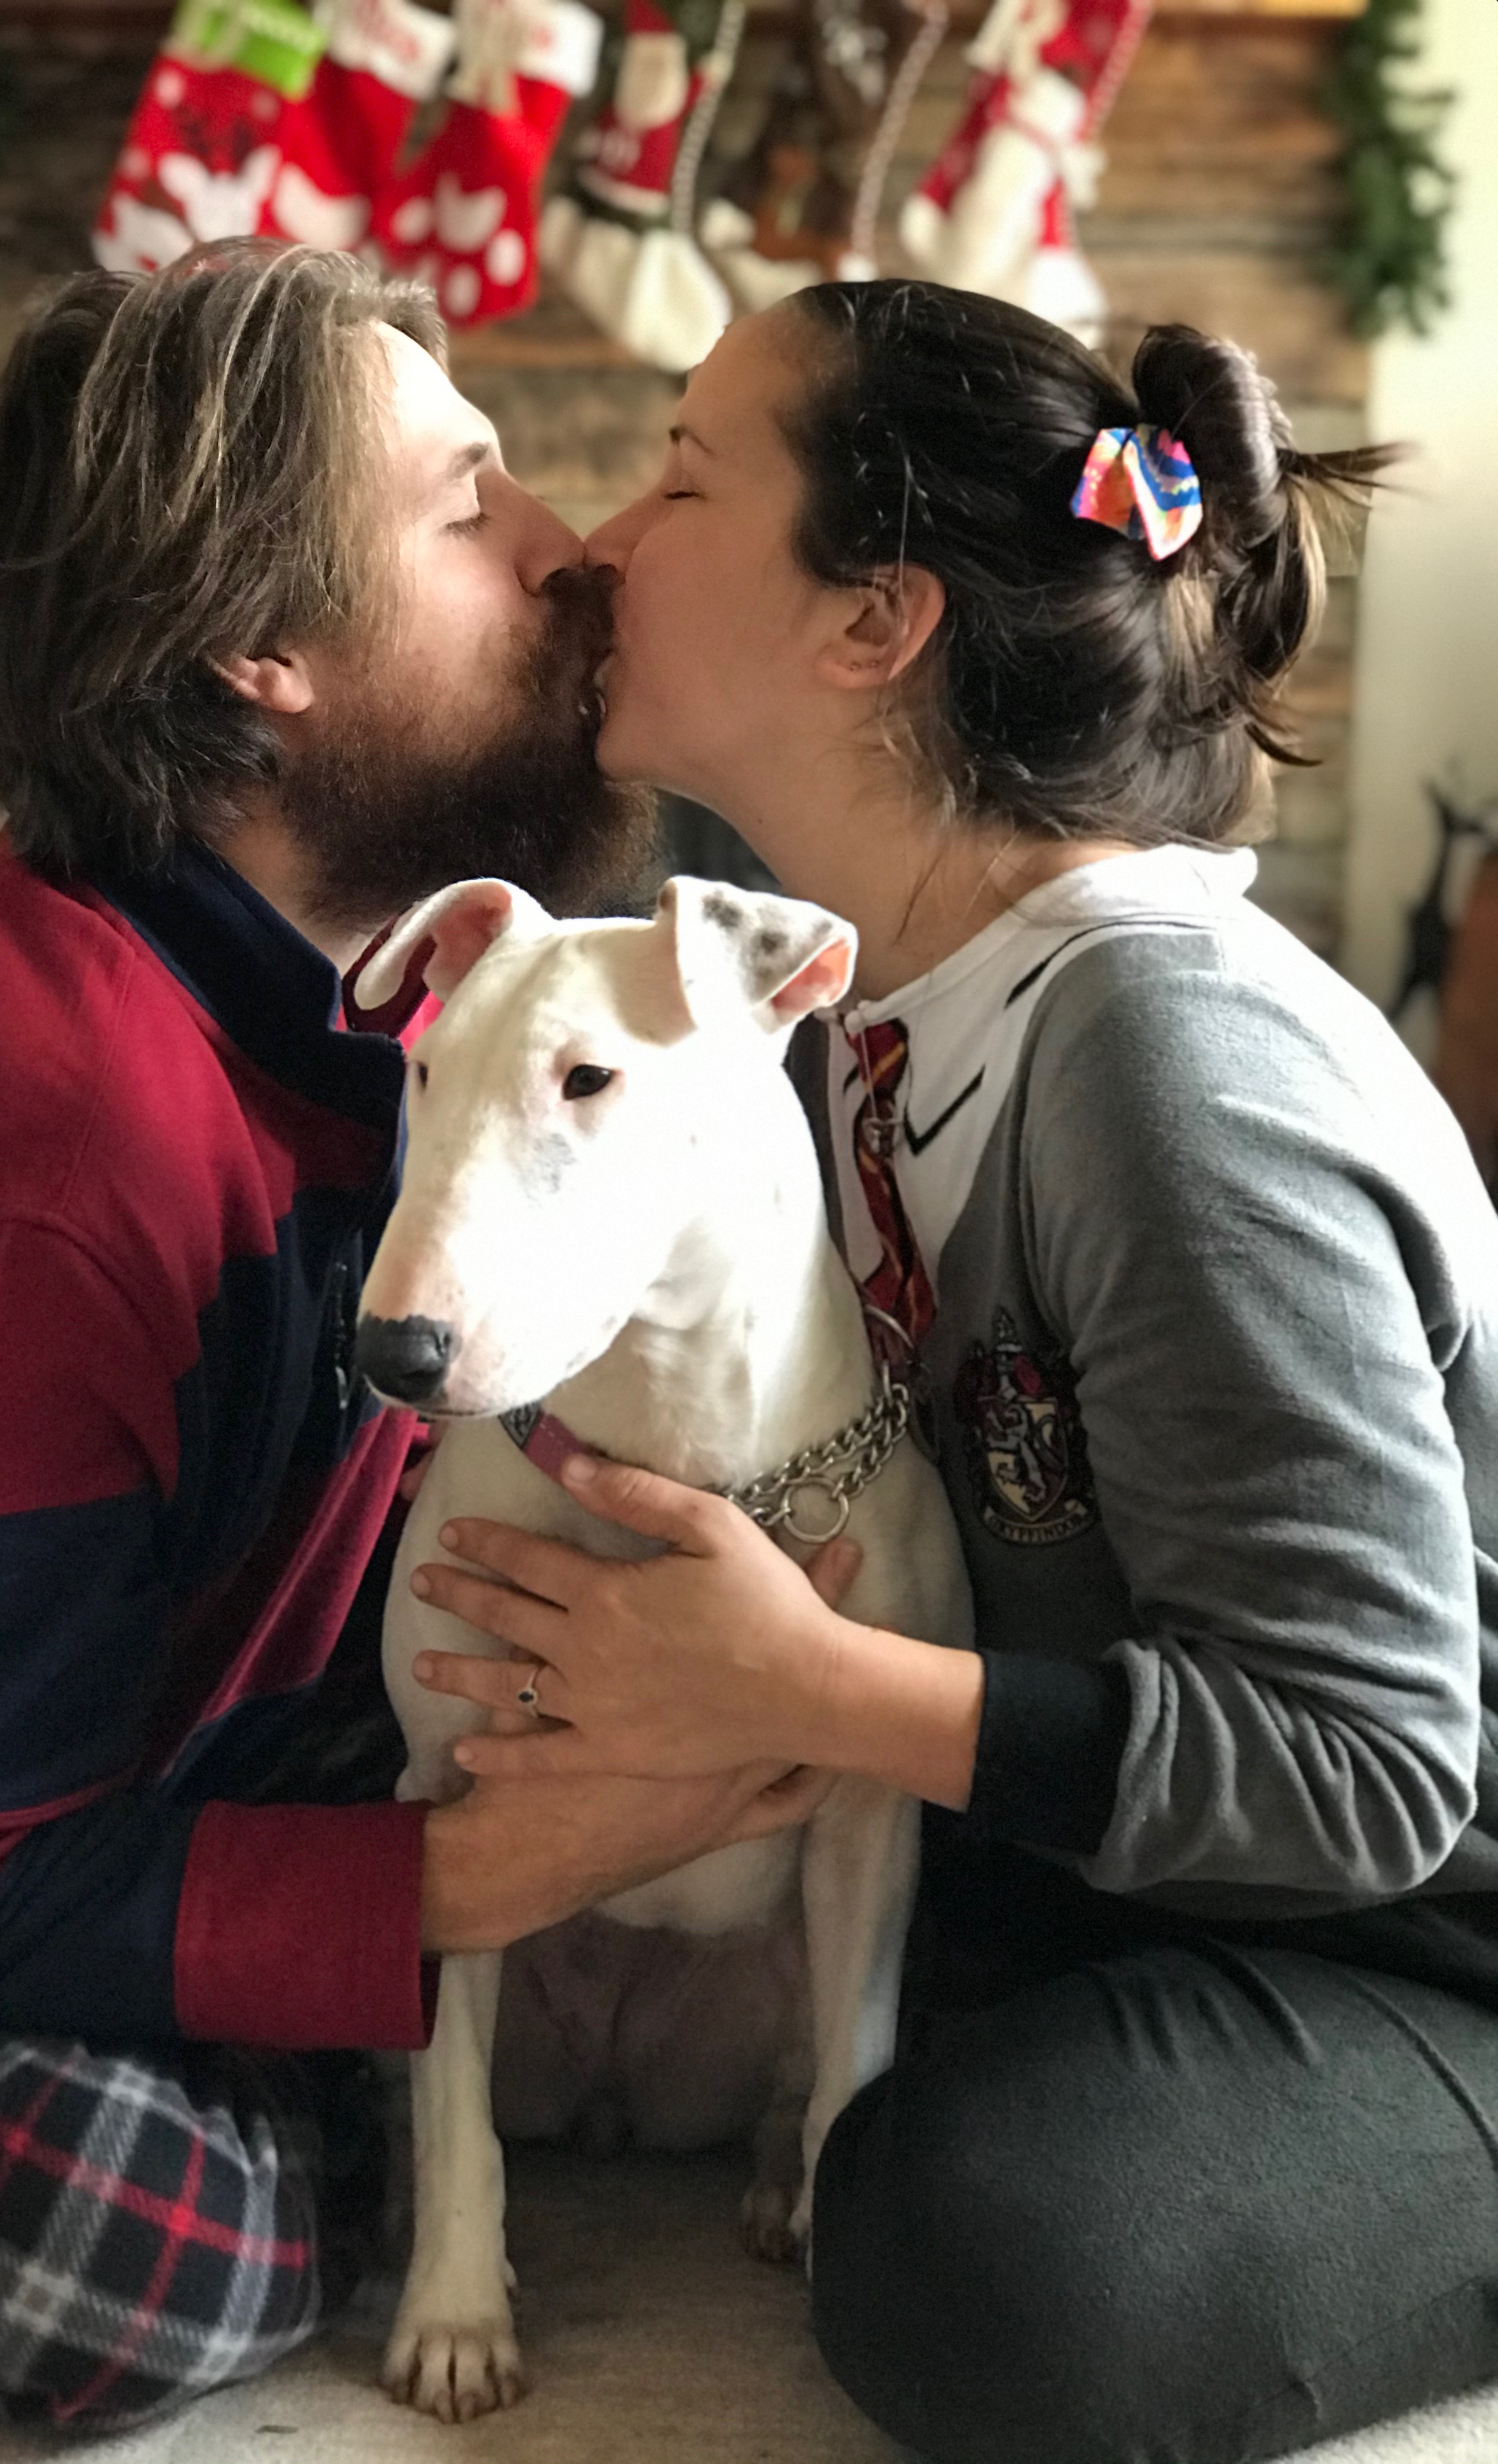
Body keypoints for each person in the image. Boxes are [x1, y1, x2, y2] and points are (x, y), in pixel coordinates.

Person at [0, 243, 828, 2429]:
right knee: (163, 2249)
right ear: (255, 649)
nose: (573, 549)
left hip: (113, 1754)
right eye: (471, 505)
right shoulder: (40, 1136)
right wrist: (486, 1874)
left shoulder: (382, 1027)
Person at [406, 279, 1498, 2464]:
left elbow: (1374, 1771)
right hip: (1137, 1864)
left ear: (873, 622)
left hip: (1430, 1939)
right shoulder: (852, 1026)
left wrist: (805, 1688)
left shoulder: (1169, 1068)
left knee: (971, 2250)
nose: (601, 542)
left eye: (687, 478)